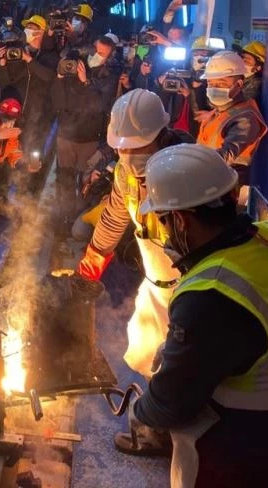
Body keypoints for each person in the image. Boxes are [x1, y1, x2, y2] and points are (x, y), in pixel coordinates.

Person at [132, 143, 268, 487]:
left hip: (235, 447)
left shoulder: (210, 292)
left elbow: (171, 404)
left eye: (165, 221)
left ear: (180, 220)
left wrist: (141, 410)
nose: (167, 233)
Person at [75, 89, 194, 455]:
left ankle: (171, 436)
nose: (128, 155)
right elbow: (115, 214)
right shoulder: (126, 171)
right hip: (157, 281)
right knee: (145, 349)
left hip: (190, 285)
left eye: (137, 147)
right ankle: (160, 426)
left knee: (176, 365)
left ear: (162, 134)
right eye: (122, 148)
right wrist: (90, 265)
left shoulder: (187, 166)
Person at [51, 35, 120, 236]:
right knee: (64, 179)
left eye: (102, 54)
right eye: (95, 50)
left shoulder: (108, 76)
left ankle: (78, 219)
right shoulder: (72, 64)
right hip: (66, 134)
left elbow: (99, 106)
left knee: (86, 180)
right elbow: (57, 101)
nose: (96, 55)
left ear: (108, 57)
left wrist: (85, 82)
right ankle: (62, 220)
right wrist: (60, 77)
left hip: (89, 137)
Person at [196, 51, 267, 187]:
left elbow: (228, 153)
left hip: (227, 186)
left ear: (239, 84)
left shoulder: (245, 118)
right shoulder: (221, 111)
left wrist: (193, 166)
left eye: (221, 83)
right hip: (208, 181)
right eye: (211, 83)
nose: (214, 88)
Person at [0, 15, 58, 157]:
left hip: (37, 117)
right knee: (10, 152)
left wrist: (29, 59)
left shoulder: (50, 56)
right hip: (14, 113)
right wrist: (2, 65)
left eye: (32, 27)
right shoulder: (16, 52)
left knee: (31, 154)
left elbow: (49, 77)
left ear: (41, 32)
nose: (27, 30)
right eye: (27, 27)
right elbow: (6, 84)